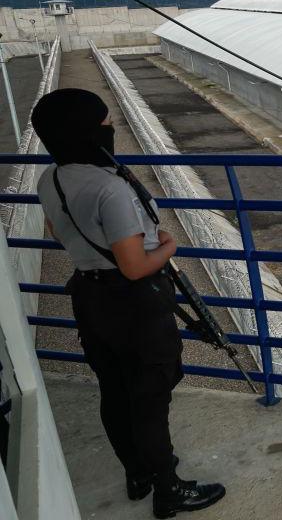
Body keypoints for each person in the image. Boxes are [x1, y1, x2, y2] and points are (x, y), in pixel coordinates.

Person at [33, 89, 225, 519]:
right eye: (104, 122)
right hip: (134, 303)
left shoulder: (51, 179)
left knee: (115, 391)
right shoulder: (109, 187)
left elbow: (56, 231)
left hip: (90, 295)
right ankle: (169, 489)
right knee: (150, 398)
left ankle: (138, 473)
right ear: (86, 131)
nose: (111, 128)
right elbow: (136, 267)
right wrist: (170, 246)